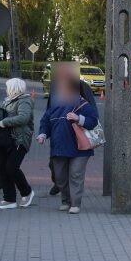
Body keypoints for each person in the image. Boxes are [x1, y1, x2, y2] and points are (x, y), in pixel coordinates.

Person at [37, 71, 98, 214]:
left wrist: (78, 119)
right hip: (59, 146)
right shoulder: (54, 105)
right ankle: (65, 200)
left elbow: (93, 120)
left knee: (75, 174)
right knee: (60, 176)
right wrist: (43, 134)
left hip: (80, 147)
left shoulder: (82, 103)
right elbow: (45, 121)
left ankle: (75, 204)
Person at [45, 62, 96, 196]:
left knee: (74, 169)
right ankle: (60, 183)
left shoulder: (83, 87)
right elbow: (49, 110)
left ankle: (69, 196)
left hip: (77, 133)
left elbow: (92, 109)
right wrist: (46, 131)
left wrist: (79, 118)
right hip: (58, 132)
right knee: (54, 164)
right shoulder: (56, 88)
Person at [0, 78, 35, 209]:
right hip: (7, 139)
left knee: (11, 167)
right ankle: (9, 199)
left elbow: (24, 118)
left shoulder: (25, 100)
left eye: (7, 87)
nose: (6, 90)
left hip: (20, 139)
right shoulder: (8, 100)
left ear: (14, 88)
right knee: (2, 169)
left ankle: (27, 192)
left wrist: (5, 122)